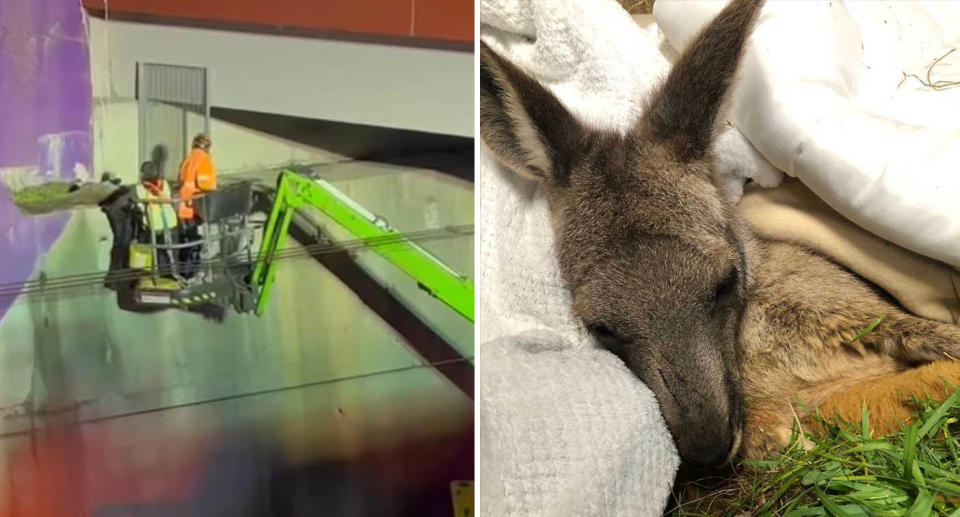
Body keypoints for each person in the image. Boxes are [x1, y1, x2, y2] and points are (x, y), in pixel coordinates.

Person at [177, 133, 218, 277]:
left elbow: (181, 181)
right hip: (196, 208)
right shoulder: (204, 161)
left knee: (186, 240)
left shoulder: (187, 161)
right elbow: (206, 184)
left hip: (184, 206)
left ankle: (183, 272)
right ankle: (191, 273)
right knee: (194, 241)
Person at [135, 161, 178, 275]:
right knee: (155, 253)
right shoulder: (140, 187)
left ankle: (170, 275)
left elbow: (166, 198)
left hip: (168, 222)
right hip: (154, 224)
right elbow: (143, 199)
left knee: (169, 253)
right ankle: (157, 275)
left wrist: (156, 190)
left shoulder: (163, 184)